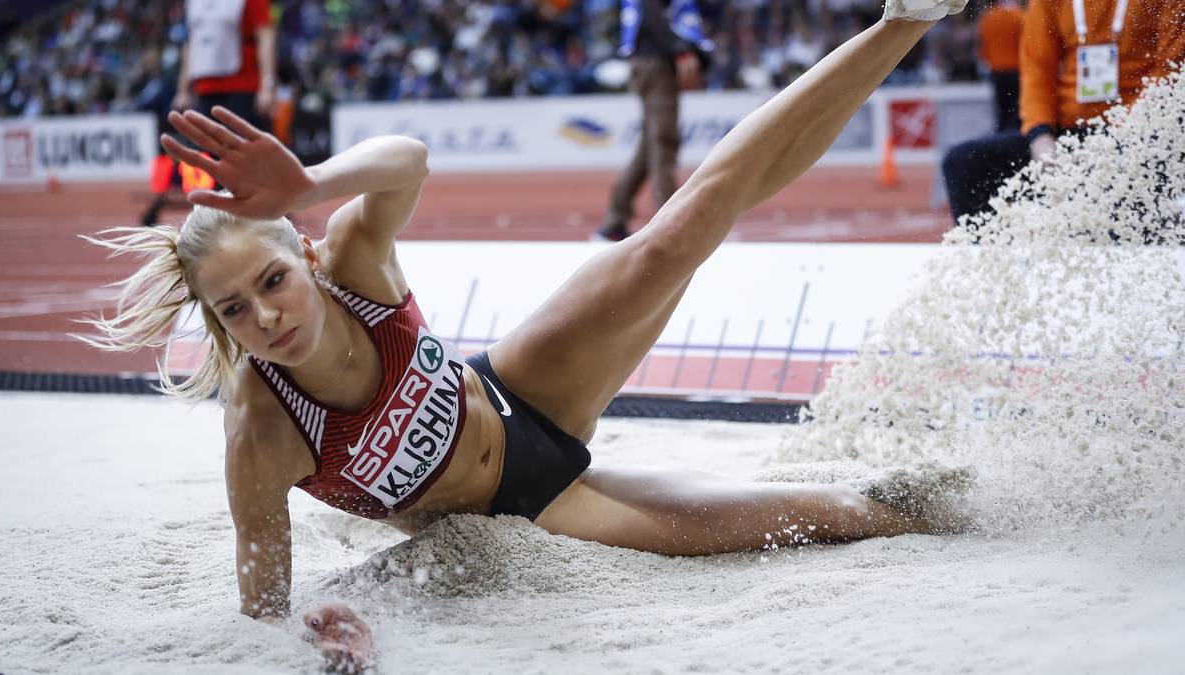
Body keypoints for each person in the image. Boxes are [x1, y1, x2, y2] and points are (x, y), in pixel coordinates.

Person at [87, 1, 967, 670]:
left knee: (677, 230)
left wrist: (311, 176)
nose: (265, 316)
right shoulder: (262, 430)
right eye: (234, 309)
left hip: (519, 391)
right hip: (519, 511)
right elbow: (263, 613)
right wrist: (318, 642)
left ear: (308, 256)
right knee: (842, 516)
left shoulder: (351, 258)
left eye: (271, 281)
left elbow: (410, 161)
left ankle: (904, 17)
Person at [942, 0, 1185, 224]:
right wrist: (1040, 137)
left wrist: (1115, 146)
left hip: (1139, 136)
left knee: (1130, 179)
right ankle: (992, 261)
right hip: (1068, 134)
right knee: (965, 163)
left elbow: (1169, 76)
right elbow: (1038, 68)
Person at [142, 0, 278, 226]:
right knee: (214, 157)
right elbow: (191, 43)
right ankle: (223, 215)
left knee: (246, 155)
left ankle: (267, 214)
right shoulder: (195, 4)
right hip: (206, 89)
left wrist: (267, 84)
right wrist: (183, 88)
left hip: (243, 87)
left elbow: (265, 36)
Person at [595, 0, 713, 241]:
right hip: (657, 63)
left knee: (650, 145)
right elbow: (651, 10)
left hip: (649, 60)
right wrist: (679, 49)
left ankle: (615, 219)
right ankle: (669, 222)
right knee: (664, 142)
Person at [976, 0, 1024, 132]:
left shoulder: (988, 17)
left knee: (1001, 110)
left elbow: (984, 45)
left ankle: (1002, 136)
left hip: (996, 70)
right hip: (1016, 69)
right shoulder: (1019, 16)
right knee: (1015, 111)